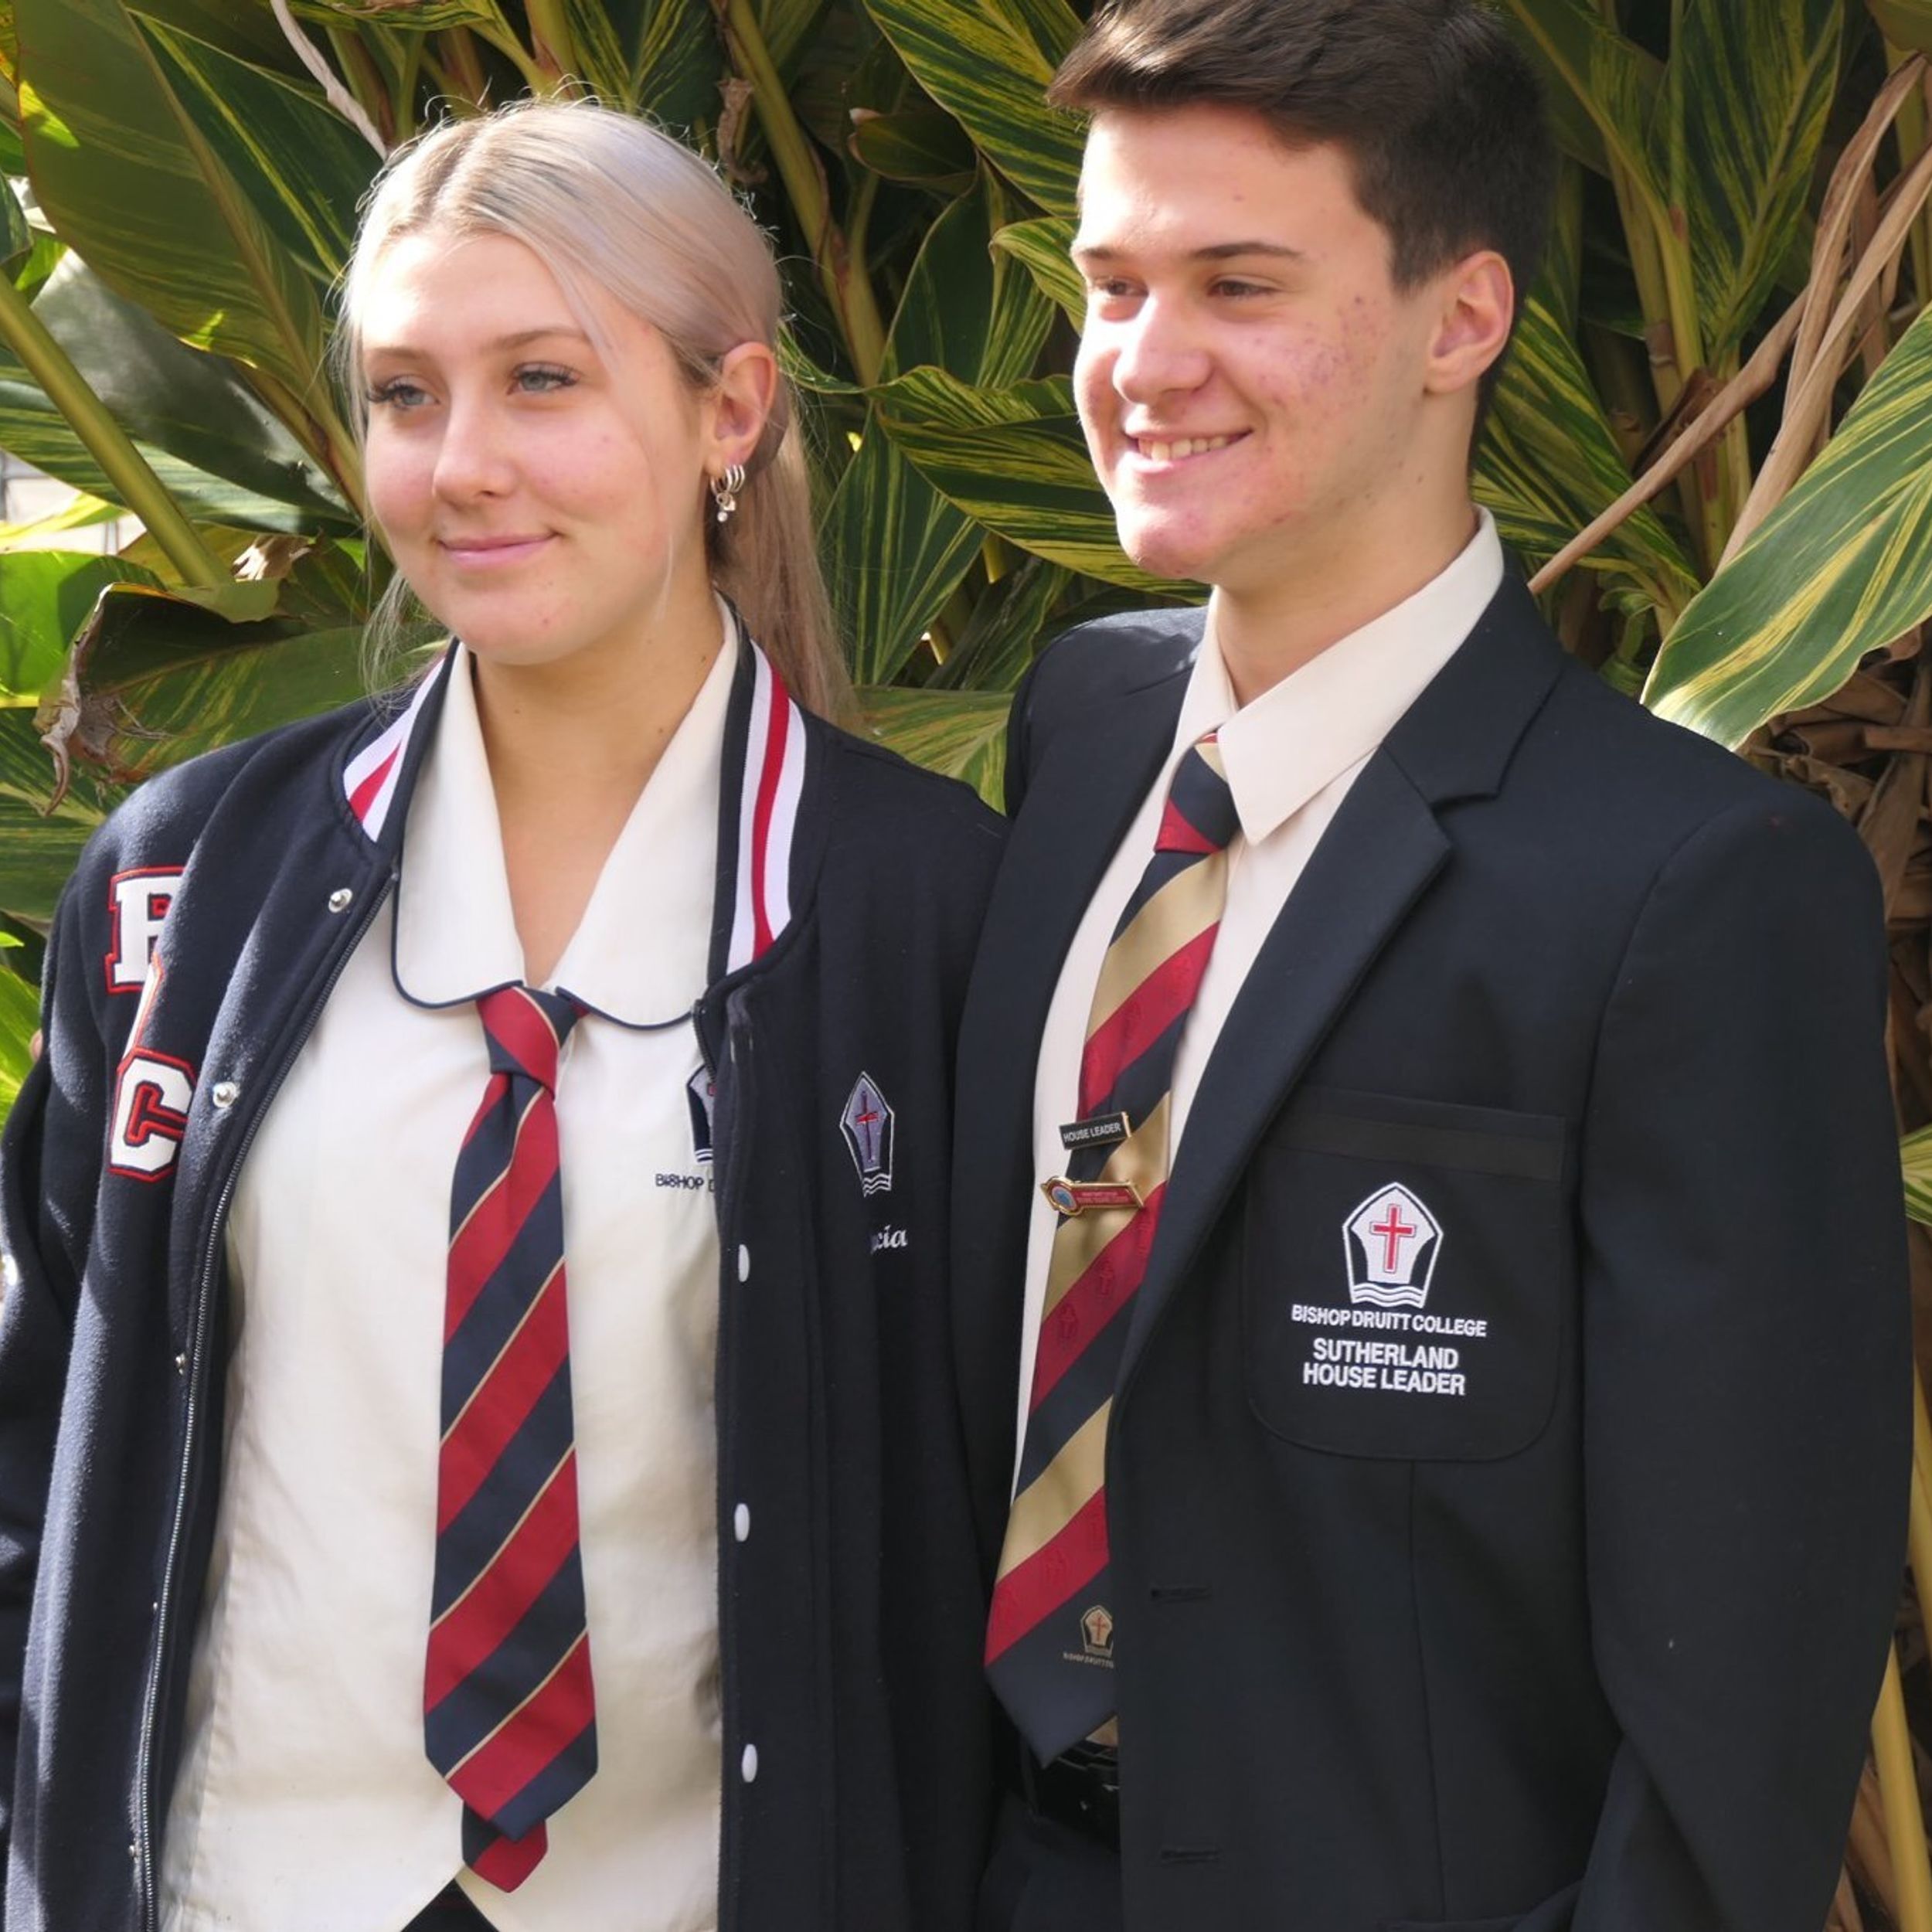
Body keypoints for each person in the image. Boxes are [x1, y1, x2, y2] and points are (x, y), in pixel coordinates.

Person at [950, 3, 1910, 1928]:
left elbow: (1742, 1698)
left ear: (1460, 317)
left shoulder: (1692, 889)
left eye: (1237, 284)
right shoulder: (1080, 732)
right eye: (1112, 285)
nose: (1142, 362)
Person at [0, 100, 1001, 1932]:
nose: (463, 465)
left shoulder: (925, 909)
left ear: (730, 411)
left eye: (542, 379)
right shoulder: (185, 887)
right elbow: (43, 1436)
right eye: (404, 394)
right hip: (237, 1885)